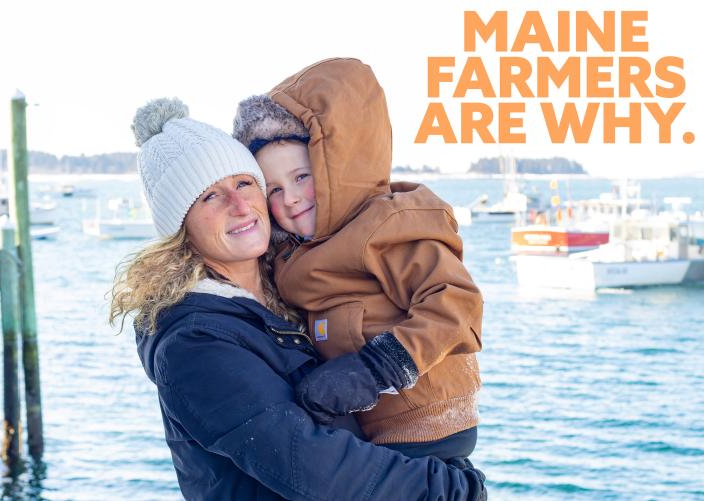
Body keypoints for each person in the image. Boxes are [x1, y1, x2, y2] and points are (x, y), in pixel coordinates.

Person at [109, 97, 488, 500]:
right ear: (180, 227)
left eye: (244, 184)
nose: (240, 206)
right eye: (209, 197)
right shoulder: (194, 341)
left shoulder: (287, 294)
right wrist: (452, 489)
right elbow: (315, 468)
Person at [232, 58, 484, 463]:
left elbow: (455, 304)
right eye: (273, 189)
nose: (290, 199)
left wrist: (378, 366)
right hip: (363, 425)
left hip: (423, 419)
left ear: (339, 168)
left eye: (301, 177)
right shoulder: (292, 251)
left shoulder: (385, 227)